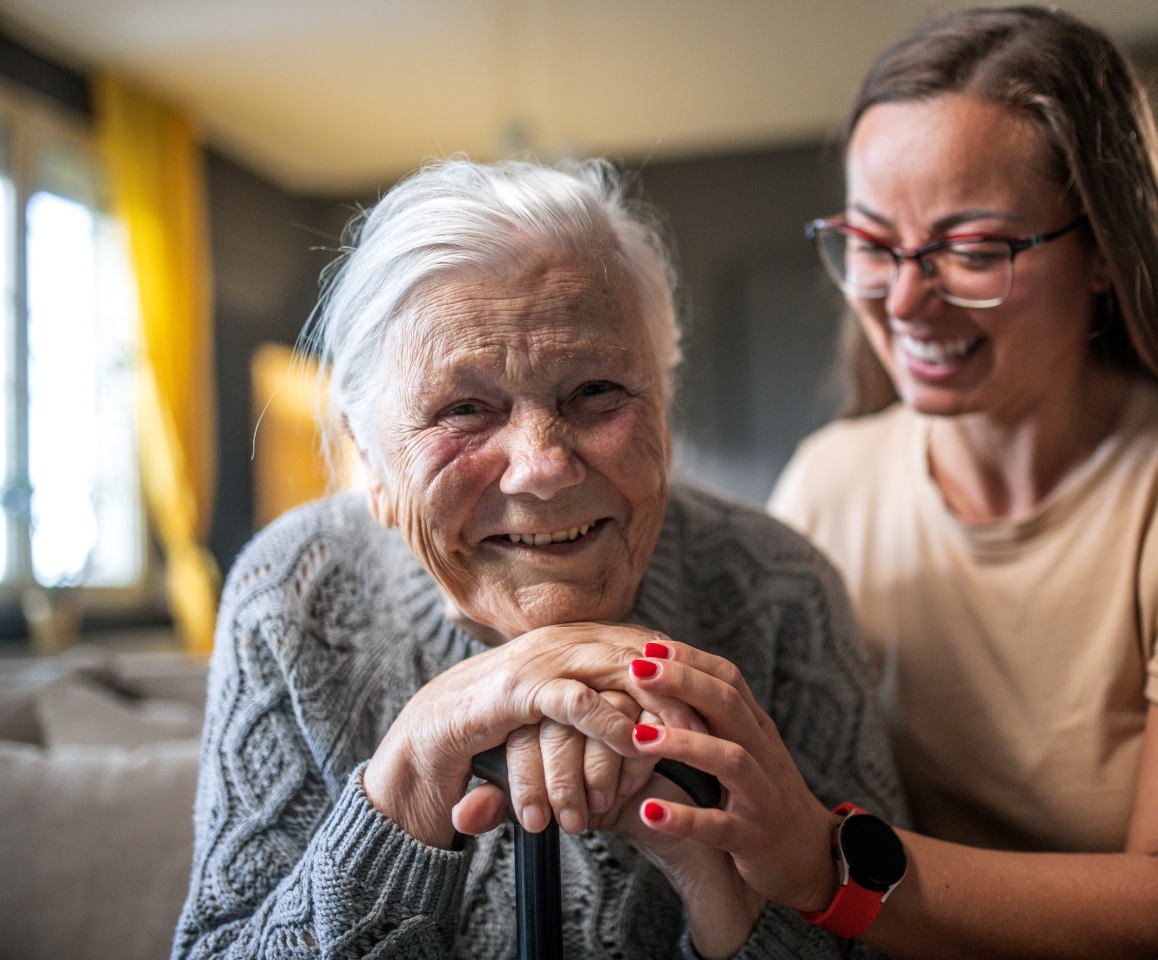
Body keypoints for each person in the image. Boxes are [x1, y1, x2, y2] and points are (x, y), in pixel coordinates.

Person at [627, 7, 1158, 959]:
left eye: (975, 248)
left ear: (1109, 250)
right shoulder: (832, 478)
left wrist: (831, 862)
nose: (905, 300)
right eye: (872, 242)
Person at [170, 158, 905, 960]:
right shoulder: (296, 590)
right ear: (372, 465)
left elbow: (889, 941)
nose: (541, 466)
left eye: (595, 392)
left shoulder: (777, 588)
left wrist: (717, 883)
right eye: (462, 410)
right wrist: (413, 771)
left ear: (664, 403)